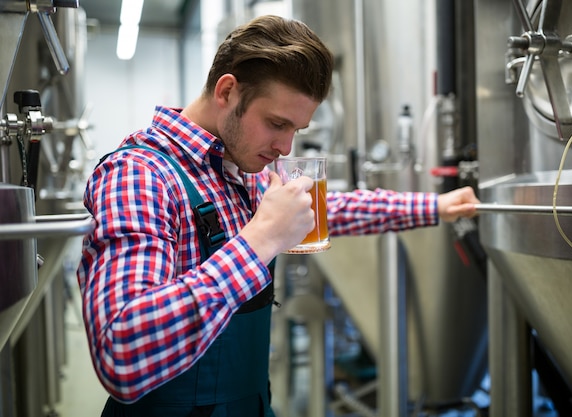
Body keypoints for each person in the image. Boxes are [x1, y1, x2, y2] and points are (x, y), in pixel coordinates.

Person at [77, 14, 480, 417]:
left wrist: (434, 207)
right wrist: (262, 239)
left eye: (296, 131)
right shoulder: (139, 175)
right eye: (276, 123)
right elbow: (122, 354)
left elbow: (324, 211)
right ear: (227, 91)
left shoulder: (238, 170)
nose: (285, 148)